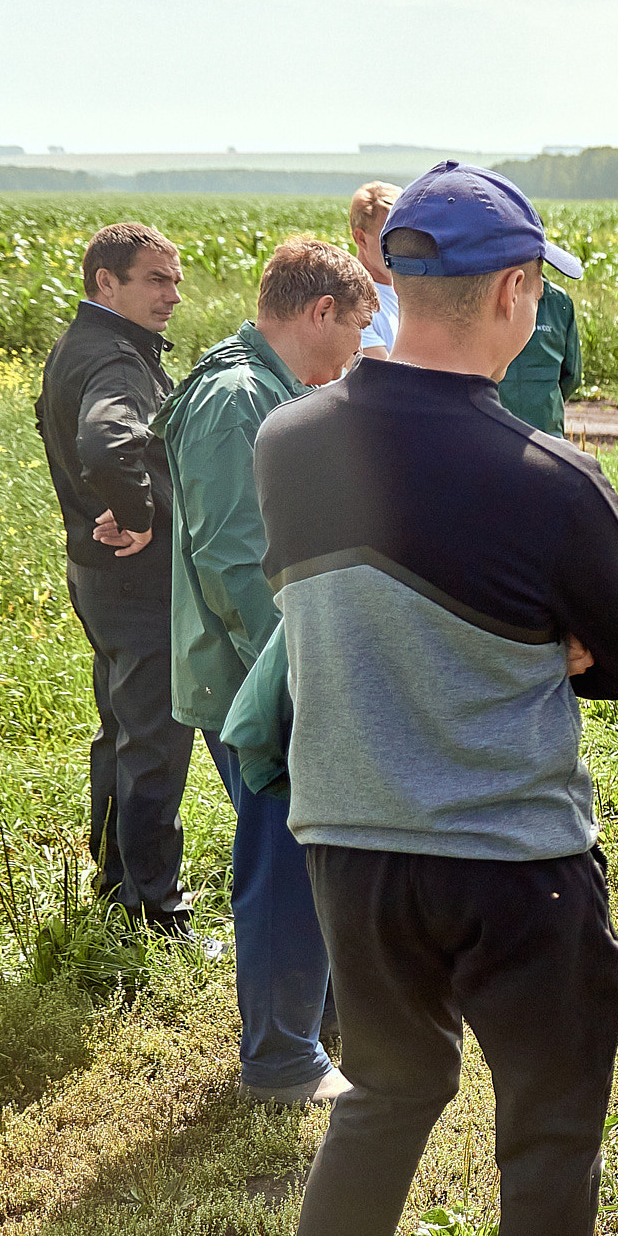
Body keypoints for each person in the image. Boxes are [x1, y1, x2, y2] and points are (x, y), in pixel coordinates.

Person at [243, 162, 618, 1236]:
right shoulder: (549, 476)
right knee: (546, 1128)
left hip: (352, 852)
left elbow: (329, 607)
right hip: (515, 866)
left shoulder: (289, 439)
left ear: (393, 286)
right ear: (516, 293)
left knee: (384, 1095)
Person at [153, 238, 374, 1103]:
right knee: (283, 856)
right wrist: (300, 672)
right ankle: (281, 1057)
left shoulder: (274, 387)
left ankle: (313, 1031)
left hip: (278, 661)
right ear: (320, 311)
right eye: (357, 326)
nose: (360, 347)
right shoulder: (234, 397)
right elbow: (236, 560)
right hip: (258, 672)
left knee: (307, 846)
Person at [33, 223, 197, 932]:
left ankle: (117, 885)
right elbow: (105, 444)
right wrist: (140, 514)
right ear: (107, 282)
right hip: (134, 581)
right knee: (153, 741)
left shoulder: (81, 344)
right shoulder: (118, 360)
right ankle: (153, 909)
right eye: (155, 279)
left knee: (123, 733)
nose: (173, 294)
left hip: (96, 574)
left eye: (176, 278)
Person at [499, 274, 584, 435]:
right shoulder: (560, 301)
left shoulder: (486, 297)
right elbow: (572, 375)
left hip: (497, 428)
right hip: (546, 430)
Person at [346, 182, 402, 361]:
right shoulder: (352, 302)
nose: (402, 246)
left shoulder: (411, 291)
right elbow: (382, 379)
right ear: (361, 238)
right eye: (389, 237)